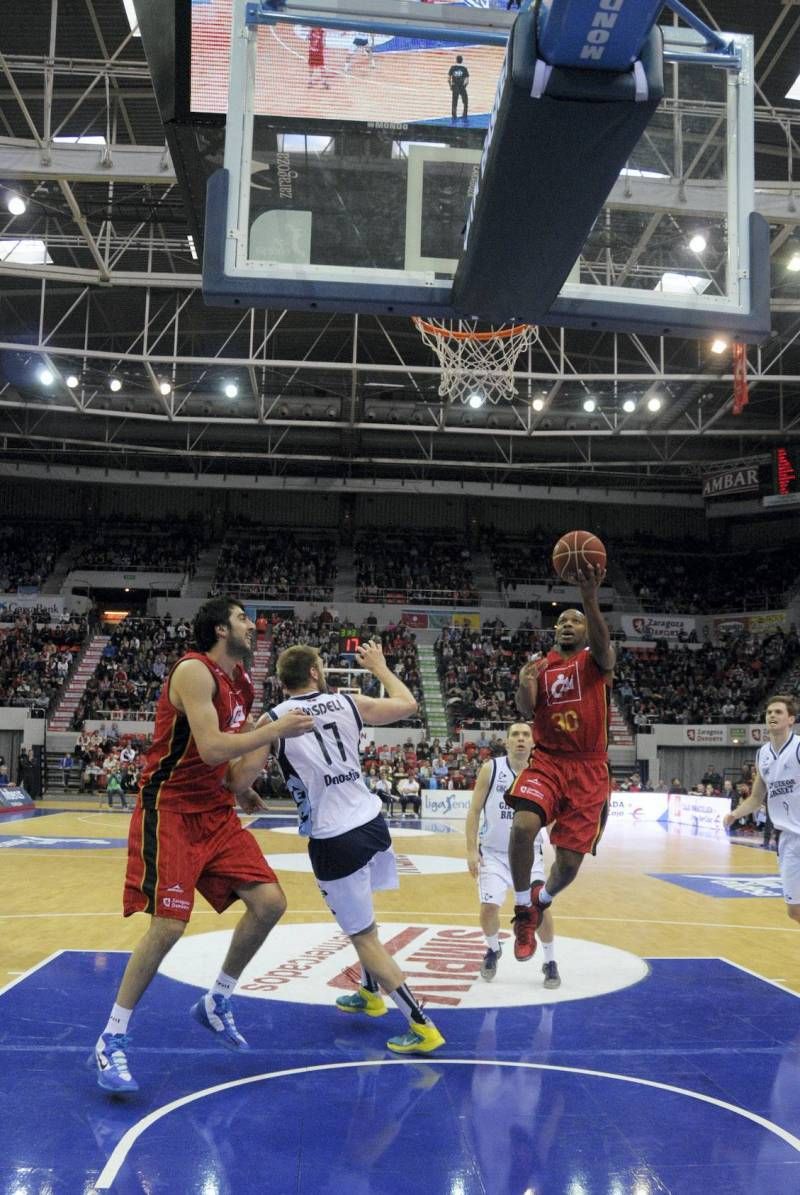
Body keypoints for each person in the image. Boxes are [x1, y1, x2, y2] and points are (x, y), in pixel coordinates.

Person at [92, 596, 313, 1095]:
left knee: (270, 902)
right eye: (240, 617)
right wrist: (271, 730)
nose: (251, 624)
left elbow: (224, 763)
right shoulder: (194, 671)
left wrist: (245, 779)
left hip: (213, 809)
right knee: (169, 925)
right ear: (218, 628)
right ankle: (111, 1037)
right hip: (168, 809)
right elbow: (212, 746)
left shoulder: (243, 683)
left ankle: (217, 999)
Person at [267, 639, 445, 1055]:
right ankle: (368, 992)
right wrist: (380, 667)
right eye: (322, 664)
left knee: (362, 934)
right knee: (363, 917)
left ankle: (422, 1025)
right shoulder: (347, 702)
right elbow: (408, 704)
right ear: (314, 672)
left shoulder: (273, 719)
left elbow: (241, 778)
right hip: (372, 823)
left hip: (333, 838)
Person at [505, 565, 615, 960]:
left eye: (576, 621)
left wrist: (589, 596)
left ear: (586, 631)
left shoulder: (595, 663)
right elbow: (525, 709)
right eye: (562, 621)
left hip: (589, 768)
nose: (567, 624)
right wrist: (524, 686)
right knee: (522, 826)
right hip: (549, 761)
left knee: (568, 864)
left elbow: (605, 648)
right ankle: (521, 908)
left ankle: (542, 900)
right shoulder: (540, 666)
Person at [466, 723, 560, 987]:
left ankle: (550, 961)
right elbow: (474, 811)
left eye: (526, 735)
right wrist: (471, 850)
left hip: (530, 855)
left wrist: (562, 852)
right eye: (515, 735)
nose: (520, 739)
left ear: (533, 743)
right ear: (506, 742)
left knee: (540, 908)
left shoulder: (543, 773)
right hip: (494, 854)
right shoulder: (491, 769)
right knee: (488, 909)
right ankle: (493, 949)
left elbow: (552, 818)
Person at [723, 695, 800, 926]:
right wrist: (735, 814)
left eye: (778, 712)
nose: (772, 716)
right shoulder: (762, 754)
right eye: (769, 713)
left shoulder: (797, 748)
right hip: (787, 838)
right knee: (794, 910)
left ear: (791, 720)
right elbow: (757, 797)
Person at [448, 55, 469, 121]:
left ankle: (454, 116)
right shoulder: (464, 68)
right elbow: (467, 80)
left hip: (455, 86)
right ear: (462, 60)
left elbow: (448, 79)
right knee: (465, 101)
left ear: (456, 60)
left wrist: (450, 86)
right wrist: (463, 87)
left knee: (454, 102)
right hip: (461, 86)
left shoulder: (452, 67)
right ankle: (464, 115)